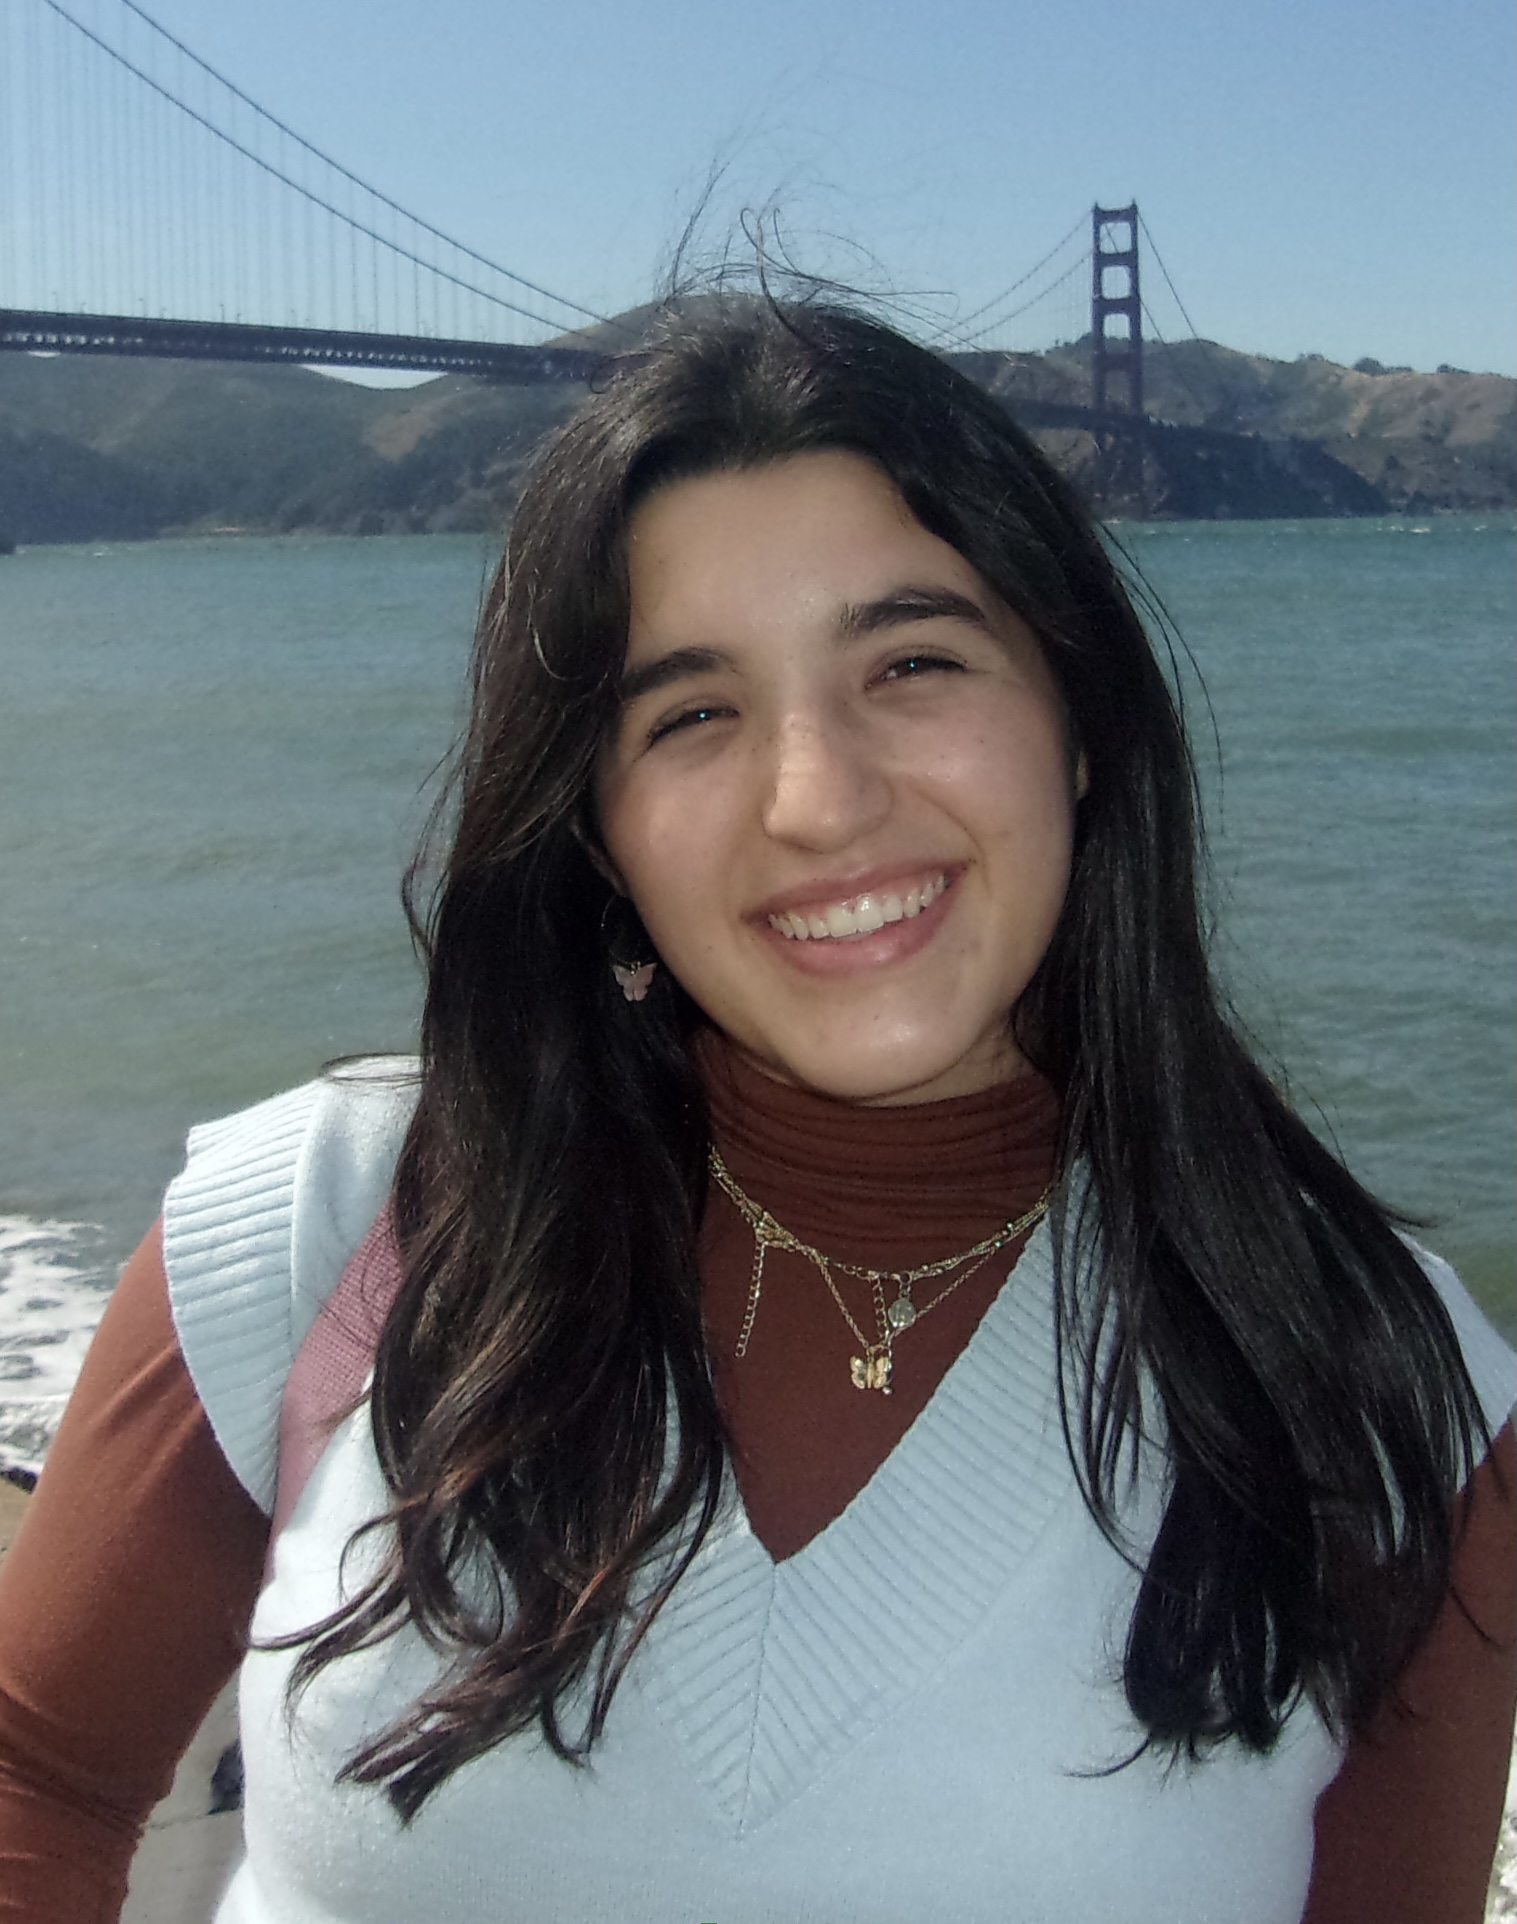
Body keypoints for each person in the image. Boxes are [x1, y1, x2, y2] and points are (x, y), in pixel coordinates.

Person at [0, 299, 1511, 1923]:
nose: (820, 800)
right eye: (692, 713)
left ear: (1080, 728)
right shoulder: (336, 1222)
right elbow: (41, 1779)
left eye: (912, 660)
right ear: (596, 831)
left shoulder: (1376, 1385)